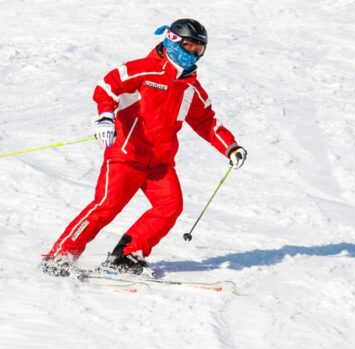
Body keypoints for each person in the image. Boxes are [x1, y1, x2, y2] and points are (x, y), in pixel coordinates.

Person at [41, 19, 247, 277]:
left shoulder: (190, 88)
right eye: (189, 45)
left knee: (170, 206)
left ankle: (126, 256)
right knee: (106, 207)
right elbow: (107, 86)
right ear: (173, 41)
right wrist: (106, 117)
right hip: (126, 156)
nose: (194, 53)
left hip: (159, 163)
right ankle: (60, 256)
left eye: (199, 49)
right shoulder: (143, 70)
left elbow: (207, 122)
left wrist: (231, 147)